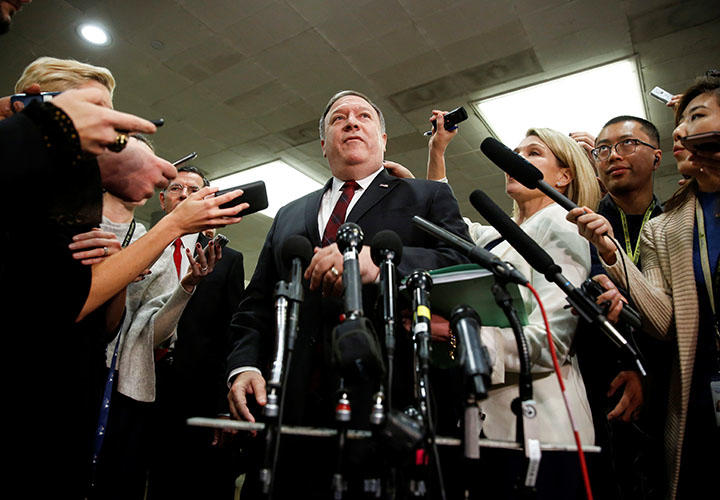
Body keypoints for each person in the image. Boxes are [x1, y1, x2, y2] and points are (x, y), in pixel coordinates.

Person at [0, 53, 246, 497]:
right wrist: (173, 226)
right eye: (92, 110)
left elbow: (106, 323)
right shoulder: (27, 189)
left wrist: (120, 271)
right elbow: (68, 303)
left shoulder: (73, 198)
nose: (106, 129)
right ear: (34, 105)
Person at [226, 90, 470, 497]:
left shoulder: (426, 196)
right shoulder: (289, 213)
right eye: (339, 118)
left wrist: (383, 265)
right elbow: (255, 304)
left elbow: (462, 266)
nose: (352, 122)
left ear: (383, 138)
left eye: (363, 116)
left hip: (384, 410)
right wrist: (244, 365)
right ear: (324, 144)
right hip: (290, 415)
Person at [567, 76, 720, 499]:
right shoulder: (663, 229)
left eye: (696, 116)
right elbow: (665, 321)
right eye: (680, 122)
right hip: (692, 394)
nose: (682, 129)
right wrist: (611, 254)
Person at [425, 112, 600, 447]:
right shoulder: (499, 236)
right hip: (490, 425)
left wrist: (457, 334)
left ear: (564, 176)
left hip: (544, 429)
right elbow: (447, 224)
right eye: (516, 153)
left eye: (533, 153)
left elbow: (552, 341)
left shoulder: (562, 225)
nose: (517, 159)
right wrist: (437, 152)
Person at [571, 116, 672, 500]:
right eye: (603, 149)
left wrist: (642, 369)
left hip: (664, 380)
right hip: (600, 379)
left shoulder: (672, 224)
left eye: (627, 144)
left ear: (657, 157)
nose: (614, 156)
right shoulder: (583, 224)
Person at [147, 166, 246, 500]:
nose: (185, 195)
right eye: (176, 189)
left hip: (197, 392)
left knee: (195, 483)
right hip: (141, 384)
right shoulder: (141, 248)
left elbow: (230, 333)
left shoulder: (228, 259)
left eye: (194, 190)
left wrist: (223, 405)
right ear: (163, 199)